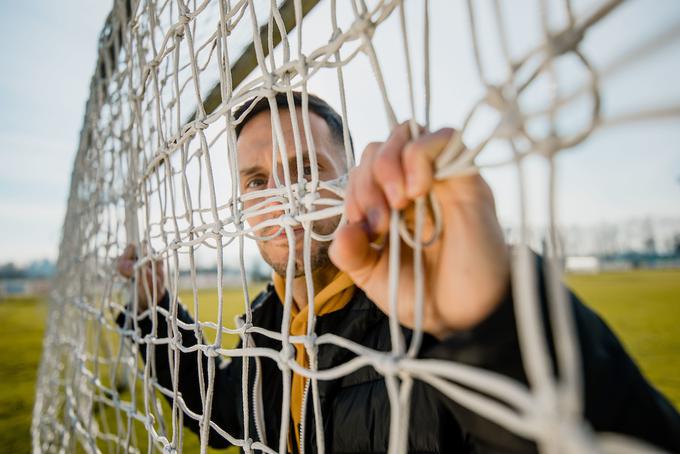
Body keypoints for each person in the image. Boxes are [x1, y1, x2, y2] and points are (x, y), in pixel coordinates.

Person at [117, 92, 680, 453]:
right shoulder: (270, 327)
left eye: (306, 170)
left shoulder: (422, 326)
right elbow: (221, 412)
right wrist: (154, 312)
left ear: (348, 178)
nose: (281, 198)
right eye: (257, 181)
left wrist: (492, 324)